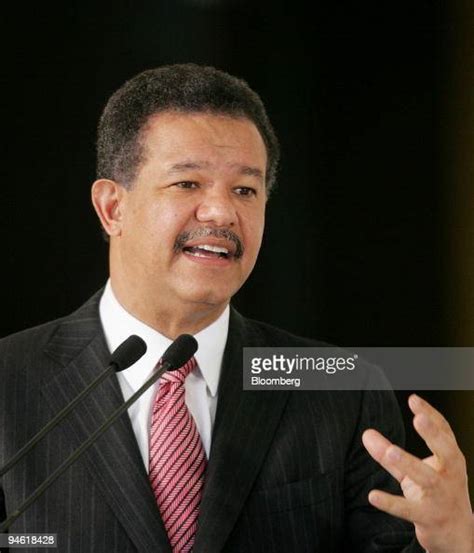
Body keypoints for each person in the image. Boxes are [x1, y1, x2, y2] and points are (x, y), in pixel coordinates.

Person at [0, 64, 472, 553]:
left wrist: (452, 545)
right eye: (187, 184)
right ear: (112, 207)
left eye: (245, 190)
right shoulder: (9, 383)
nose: (222, 213)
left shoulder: (338, 388)